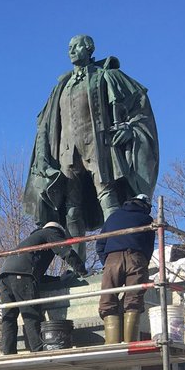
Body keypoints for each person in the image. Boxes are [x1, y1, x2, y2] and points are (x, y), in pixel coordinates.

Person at [23, 34, 159, 263]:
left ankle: (116, 256)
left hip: (99, 150)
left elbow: (139, 106)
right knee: (71, 209)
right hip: (67, 154)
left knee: (109, 199)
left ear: (89, 49)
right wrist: (43, 156)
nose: (71, 50)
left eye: (76, 46)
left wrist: (130, 129)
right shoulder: (61, 86)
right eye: (69, 47)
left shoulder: (107, 77)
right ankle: (76, 267)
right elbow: (45, 124)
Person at [0, 221, 86, 355]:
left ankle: (8, 353)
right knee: (31, 314)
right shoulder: (51, 233)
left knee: (9, 317)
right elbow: (66, 252)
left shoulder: (33, 242)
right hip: (22, 274)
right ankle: (38, 352)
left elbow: (37, 276)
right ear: (58, 232)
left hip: (4, 276)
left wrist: (57, 279)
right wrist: (82, 271)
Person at [96, 194, 156, 344]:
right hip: (137, 258)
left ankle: (112, 344)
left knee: (108, 301)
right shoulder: (147, 220)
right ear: (146, 206)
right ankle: (129, 343)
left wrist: (108, 261)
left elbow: (100, 244)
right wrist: (142, 263)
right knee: (133, 301)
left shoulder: (113, 217)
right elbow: (149, 247)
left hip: (112, 259)